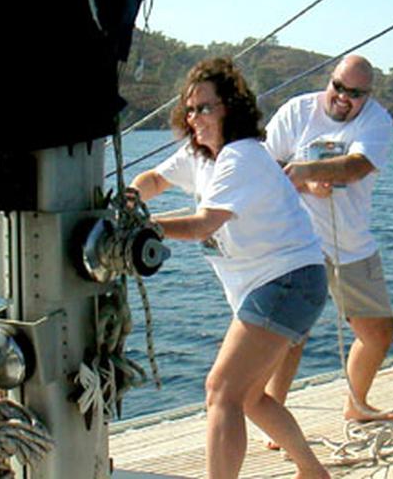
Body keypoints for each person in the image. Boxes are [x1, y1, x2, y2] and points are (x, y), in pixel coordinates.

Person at [129, 57, 330, 479]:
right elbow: (155, 179)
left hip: (286, 281)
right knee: (251, 396)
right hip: (285, 282)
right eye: (190, 109)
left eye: (206, 107)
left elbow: (204, 224)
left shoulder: (241, 157)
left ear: (230, 108)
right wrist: (130, 199)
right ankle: (314, 473)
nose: (195, 117)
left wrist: (144, 228)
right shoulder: (201, 156)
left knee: (221, 390)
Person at [263, 54, 393, 424]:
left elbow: (357, 166)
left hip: (351, 241)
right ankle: (273, 418)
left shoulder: (377, 120)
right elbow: (263, 166)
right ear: (330, 79)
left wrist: (308, 168)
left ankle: (356, 404)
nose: (343, 96)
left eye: (355, 93)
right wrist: (305, 181)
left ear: (367, 95)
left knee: (379, 332)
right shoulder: (296, 112)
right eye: (338, 86)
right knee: (291, 335)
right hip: (298, 242)